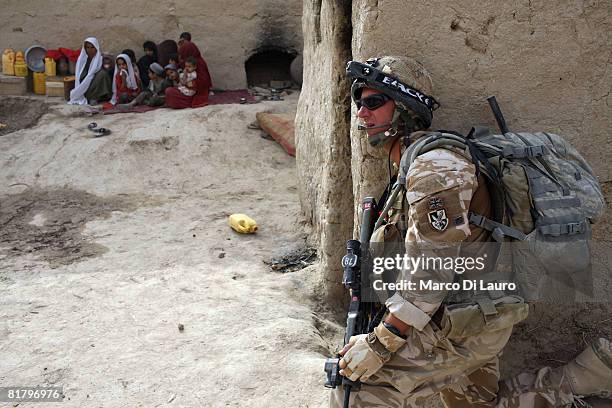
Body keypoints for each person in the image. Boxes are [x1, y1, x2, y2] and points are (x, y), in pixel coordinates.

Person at [329, 55, 612, 407]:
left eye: (374, 102)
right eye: (359, 103)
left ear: (404, 107)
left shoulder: (436, 170)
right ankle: (592, 373)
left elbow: (430, 272)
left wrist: (381, 342)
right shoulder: (414, 164)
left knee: (359, 392)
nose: (362, 113)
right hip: (469, 313)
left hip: (462, 327)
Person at [164, 34, 212, 108]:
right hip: (185, 89)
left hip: (196, 92)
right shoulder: (187, 62)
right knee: (169, 91)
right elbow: (180, 69)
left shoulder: (199, 63)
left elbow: (204, 82)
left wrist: (192, 83)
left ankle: (183, 102)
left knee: (170, 93)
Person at [68, 37, 112, 105]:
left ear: (96, 48)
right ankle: (90, 97)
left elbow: (107, 70)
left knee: (102, 74)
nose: (90, 50)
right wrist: (88, 77)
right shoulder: (82, 60)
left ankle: (96, 97)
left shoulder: (101, 59)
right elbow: (80, 76)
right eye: (87, 48)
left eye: (92, 47)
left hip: (97, 85)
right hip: (84, 86)